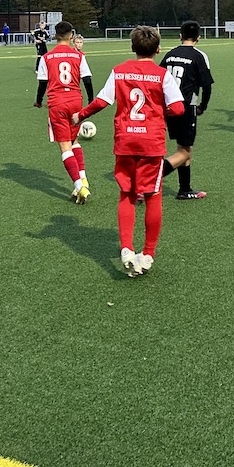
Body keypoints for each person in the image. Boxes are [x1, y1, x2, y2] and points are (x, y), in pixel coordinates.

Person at [75, 26, 185, 277]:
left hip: (125, 140)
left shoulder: (119, 71)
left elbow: (102, 101)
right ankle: (147, 254)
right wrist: (158, 112)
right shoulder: (162, 75)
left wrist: (80, 116)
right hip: (151, 142)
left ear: (132, 47)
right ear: (158, 49)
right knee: (153, 195)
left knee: (127, 193)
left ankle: (126, 248)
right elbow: (178, 108)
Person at [35, 21, 95, 203]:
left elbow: (43, 83)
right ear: (71, 36)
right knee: (74, 140)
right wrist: (91, 101)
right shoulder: (78, 56)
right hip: (76, 101)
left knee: (64, 146)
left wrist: (38, 101)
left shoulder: (47, 57)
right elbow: (87, 79)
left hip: (57, 103)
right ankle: (83, 178)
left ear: (55, 35)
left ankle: (80, 187)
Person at [159, 20, 214, 200]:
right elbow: (207, 86)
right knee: (184, 152)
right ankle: (151, 177)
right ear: (199, 37)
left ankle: (185, 189)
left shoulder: (170, 55)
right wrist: (203, 106)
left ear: (180, 36)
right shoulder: (199, 56)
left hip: (168, 106)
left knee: (183, 147)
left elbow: (158, 78)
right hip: (186, 107)